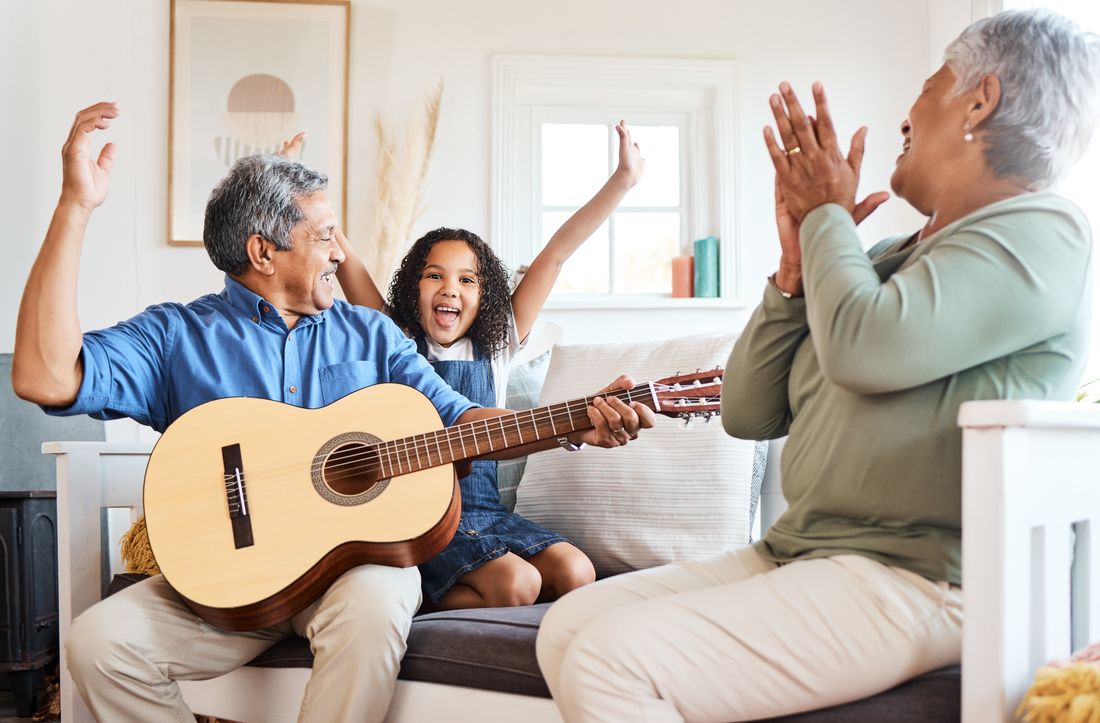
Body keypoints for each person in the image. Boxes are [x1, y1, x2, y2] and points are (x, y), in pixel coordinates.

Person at [535, 9, 1099, 721]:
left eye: (931, 86)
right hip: (802, 551)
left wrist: (825, 217)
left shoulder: (1047, 230)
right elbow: (747, 409)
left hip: (915, 577)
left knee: (607, 659)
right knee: (567, 626)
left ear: (978, 100)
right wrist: (795, 269)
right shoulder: (890, 259)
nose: (908, 111)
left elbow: (870, 347)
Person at [11, 103, 654, 723]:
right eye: (323, 237)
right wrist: (75, 207)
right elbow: (43, 375)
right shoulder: (176, 337)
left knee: (377, 605)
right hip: (232, 588)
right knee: (97, 644)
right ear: (263, 253)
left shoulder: (371, 336)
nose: (341, 254)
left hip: (354, 574)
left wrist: (570, 424)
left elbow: (461, 424)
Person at [284, 122, 644, 610]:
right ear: (414, 287)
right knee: (518, 585)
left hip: (485, 511)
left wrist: (622, 181)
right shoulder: (396, 339)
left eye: (467, 279)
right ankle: (422, 602)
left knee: (577, 571)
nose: (450, 288)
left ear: (486, 294)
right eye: (434, 275)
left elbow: (557, 255)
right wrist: (302, 191)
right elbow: (346, 259)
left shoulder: (497, 343)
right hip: (424, 522)